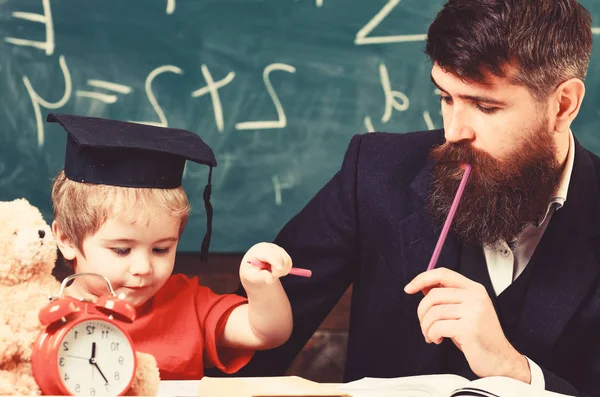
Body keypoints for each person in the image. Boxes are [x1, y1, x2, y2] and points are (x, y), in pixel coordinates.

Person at [228, 0, 600, 395]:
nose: (456, 132)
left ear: (563, 105)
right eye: (446, 98)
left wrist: (517, 372)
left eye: (486, 106)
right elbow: (248, 347)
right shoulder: (374, 172)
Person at [47, 113, 294, 380]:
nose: (143, 268)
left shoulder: (188, 304)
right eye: (121, 250)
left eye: (161, 249)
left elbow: (266, 333)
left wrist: (259, 285)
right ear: (67, 239)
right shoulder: (38, 311)